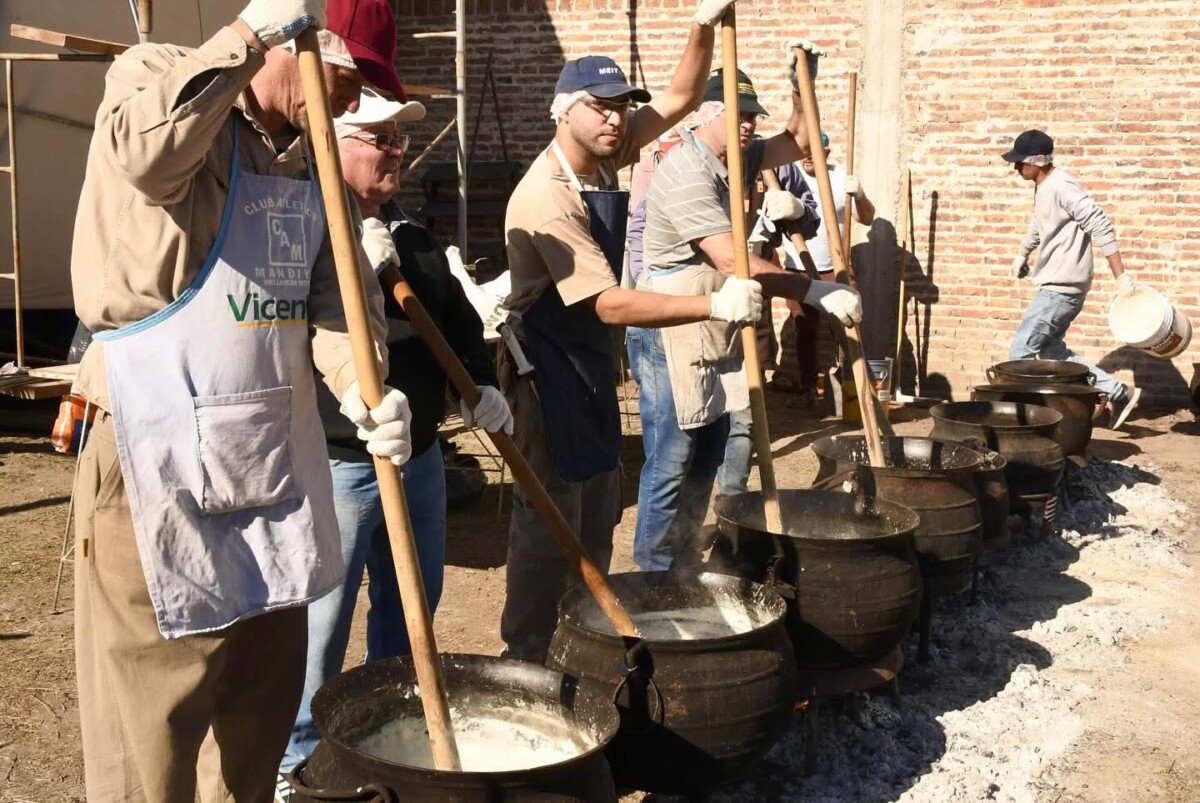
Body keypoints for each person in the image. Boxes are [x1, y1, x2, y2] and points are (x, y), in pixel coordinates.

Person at [67, 1, 413, 799]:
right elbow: (148, 159)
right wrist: (246, 36)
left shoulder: (308, 156)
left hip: (271, 470)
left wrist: (368, 394)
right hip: (155, 466)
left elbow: (337, 306)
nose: (356, 99)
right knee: (148, 735)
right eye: (349, 73)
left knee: (257, 725)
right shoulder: (154, 76)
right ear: (292, 41)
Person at [499, 0, 765, 662]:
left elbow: (678, 97)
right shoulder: (547, 194)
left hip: (588, 366)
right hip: (545, 369)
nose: (615, 116)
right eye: (599, 104)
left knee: (595, 516)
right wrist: (716, 307)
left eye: (621, 104)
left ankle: (580, 639)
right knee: (547, 523)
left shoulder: (605, 158)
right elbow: (610, 304)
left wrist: (703, 21)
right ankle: (526, 653)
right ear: (565, 110)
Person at [277, 88, 511, 793]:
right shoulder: (307, 230)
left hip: (421, 457)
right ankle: (297, 756)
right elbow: (311, 340)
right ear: (336, 145)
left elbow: (457, 323)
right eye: (379, 138)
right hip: (342, 457)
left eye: (399, 140)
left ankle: (383, 725)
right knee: (324, 615)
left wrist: (480, 384)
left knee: (414, 602)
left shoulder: (409, 235)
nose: (396, 151)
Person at [632, 57, 863, 570]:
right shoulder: (687, 170)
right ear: (706, 115)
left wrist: (802, 88)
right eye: (738, 116)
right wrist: (813, 291)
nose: (748, 127)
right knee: (672, 456)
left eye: (752, 118)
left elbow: (798, 144)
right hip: (667, 326)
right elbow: (733, 260)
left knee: (709, 448)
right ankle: (655, 567)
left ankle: (686, 550)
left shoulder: (737, 155)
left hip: (711, 319)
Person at [1003, 128, 1142, 428]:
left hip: (1061, 288)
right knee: (1054, 352)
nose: (1015, 167)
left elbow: (1100, 224)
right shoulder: (1043, 187)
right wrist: (1022, 254)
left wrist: (1121, 277)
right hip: (1058, 285)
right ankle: (1117, 392)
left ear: (1037, 161)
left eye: (1020, 162)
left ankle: (1023, 422)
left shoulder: (1063, 187)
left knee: (1020, 354)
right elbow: (1039, 226)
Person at [775, 130, 876, 407]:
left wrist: (861, 195)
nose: (808, 156)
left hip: (836, 267)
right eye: (804, 149)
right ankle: (808, 390)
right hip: (798, 269)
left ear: (827, 153)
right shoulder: (786, 178)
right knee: (804, 330)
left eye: (816, 150)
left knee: (847, 326)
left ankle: (854, 389)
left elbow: (867, 218)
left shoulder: (840, 178)